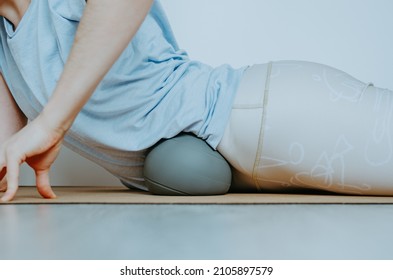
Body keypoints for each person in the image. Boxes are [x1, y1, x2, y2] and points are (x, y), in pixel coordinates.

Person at [0, 0, 392, 202]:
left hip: (257, 116)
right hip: (240, 175)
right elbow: (7, 155)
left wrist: (52, 122)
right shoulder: (4, 39)